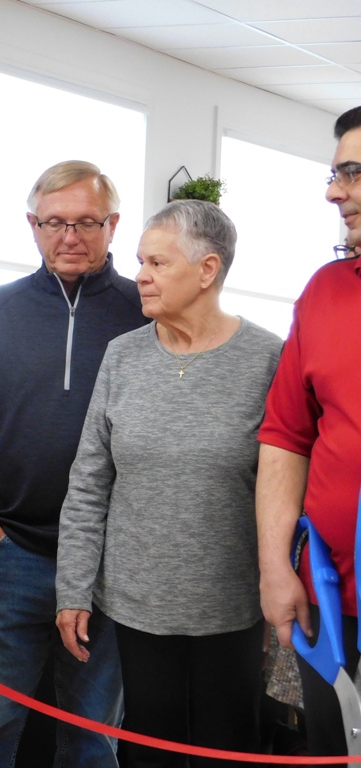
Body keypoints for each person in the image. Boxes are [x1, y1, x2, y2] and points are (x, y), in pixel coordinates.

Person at [55, 200, 283, 766]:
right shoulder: (122, 357)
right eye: (141, 261)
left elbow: (285, 489)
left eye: (157, 263)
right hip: (136, 609)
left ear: (207, 270)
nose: (141, 275)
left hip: (233, 610)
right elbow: (88, 483)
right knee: (147, 750)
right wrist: (73, 590)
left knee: (226, 751)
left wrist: (279, 591)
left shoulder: (268, 359)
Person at [0, 160, 147, 767]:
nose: (69, 236)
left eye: (86, 222)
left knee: (93, 742)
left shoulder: (145, 313)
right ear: (32, 225)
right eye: (54, 222)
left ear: (113, 225)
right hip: (10, 555)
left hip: (109, 565)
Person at [258, 104, 361, 761]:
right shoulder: (324, 291)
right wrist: (275, 567)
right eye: (334, 175)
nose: (334, 193)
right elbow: (285, 436)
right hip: (331, 600)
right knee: (331, 751)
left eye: (353, 173)